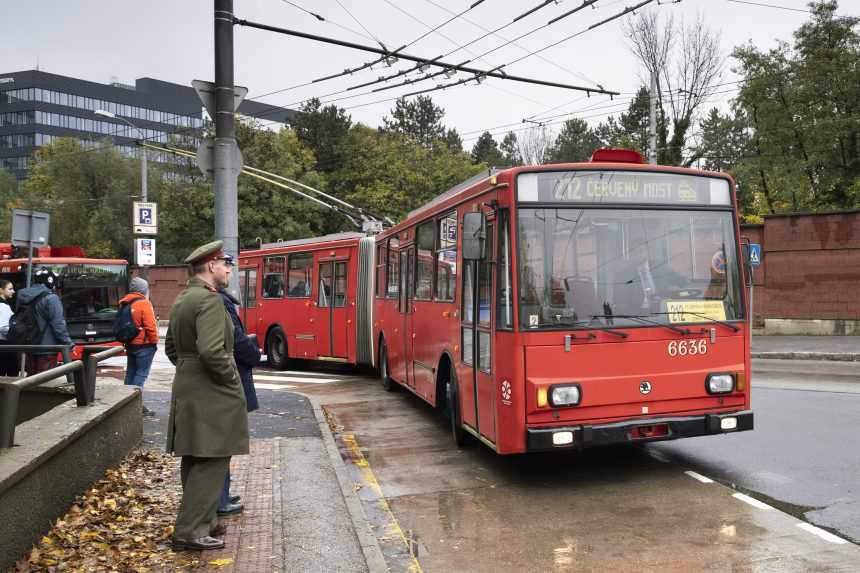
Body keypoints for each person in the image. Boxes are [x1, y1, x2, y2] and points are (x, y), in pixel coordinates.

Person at [165, 241, 248, 552]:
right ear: (211, 266)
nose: (229, 269)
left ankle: (205, 520)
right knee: (212, 459)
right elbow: (214, 352)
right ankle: (190, 530)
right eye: (226, 263)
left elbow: (172, 350)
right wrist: (231, 382)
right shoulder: (211, 302)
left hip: (189, 386)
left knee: (196, 458)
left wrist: (191, 373)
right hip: (212, 391)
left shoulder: (184, 298)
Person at [216, 287, 261, 516]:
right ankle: (220, 498)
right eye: (225, 265)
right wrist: (255, 354)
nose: (228, 270)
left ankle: (223, 493)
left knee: (224, 442)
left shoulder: (217, 299)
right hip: (231, 380)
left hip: (229, 380)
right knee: (225, 442)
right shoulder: (220, 301)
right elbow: (236, 340)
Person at [15, 268, 73, 373]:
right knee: (45, 381)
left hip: (27, 345)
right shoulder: (51, 298)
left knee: (31, 381)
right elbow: (58, 324)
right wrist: (68, 343)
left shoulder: (21, 296)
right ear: (51, 282)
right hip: (46, 347)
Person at [119, 277, 159, 416]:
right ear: (144, 289)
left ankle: (124, 403)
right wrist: (154, 342)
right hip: (144, 345)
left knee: (130, 373)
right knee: (141, 374)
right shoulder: (144, 303)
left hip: (130, 344)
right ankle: (135, 406)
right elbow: (151, 326)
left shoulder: (124, 302)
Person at [0, 279, 17, 376]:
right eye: (10, 289)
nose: (13, 291)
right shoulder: (4, 307)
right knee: (12, 375)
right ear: (1, 290)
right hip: (5, 344)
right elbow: (3, 328)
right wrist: (15, 335)